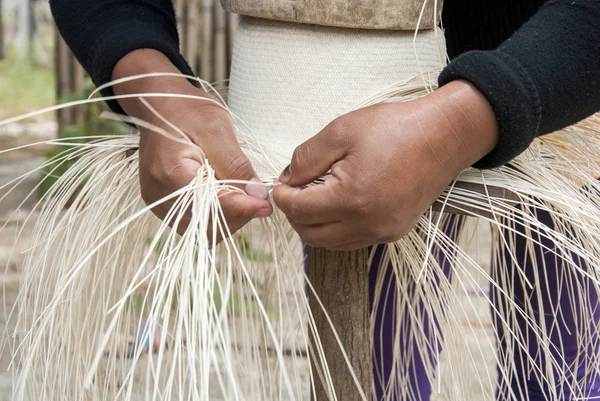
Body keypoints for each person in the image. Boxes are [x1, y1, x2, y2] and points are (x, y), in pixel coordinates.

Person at [50, 0, 600, 399]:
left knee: (565, 363)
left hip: (572, 81)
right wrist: (146, 79)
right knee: (374, 371)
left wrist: (474, 113)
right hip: (355, 84)